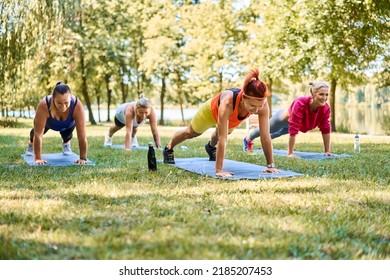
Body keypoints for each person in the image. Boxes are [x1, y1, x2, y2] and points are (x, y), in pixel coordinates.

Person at [163, 69, 279, 178]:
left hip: (230, 117)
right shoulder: (228, 102)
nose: (256, 110)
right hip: (210, 111)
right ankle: (168, 148)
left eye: (260, 106)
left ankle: (210, 147)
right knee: (191, 133)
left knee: (221, 132)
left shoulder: (262, 105)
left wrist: (270, 166)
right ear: (244, 98)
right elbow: (222, 139)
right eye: (253, 106)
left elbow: (265, 136)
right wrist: (219, 170)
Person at [243, 81, 332, 157]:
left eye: (326, 95)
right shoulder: (300, 103)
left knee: (277, 134)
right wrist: (290, 153)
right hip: (281, 119)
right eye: (321, 94)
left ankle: (264, 145)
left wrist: (327, 151)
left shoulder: (325, 108)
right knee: (265, 130)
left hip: (291, 124)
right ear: (313, 94)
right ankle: (248, 139)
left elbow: (325, 129)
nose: (324, 98)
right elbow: (294, 127)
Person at [25, 82, 88, 164]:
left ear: (70, 98)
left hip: (67, 124)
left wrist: (83, 158)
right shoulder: (45, 104)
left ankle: (66, 143)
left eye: (66, 103)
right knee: (34, 133)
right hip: (48, 123)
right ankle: (31, 143)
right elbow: (38, 134)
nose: (63, 106)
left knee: (67, 135)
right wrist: (37, 158)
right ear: (53, 99)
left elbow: (82, 136)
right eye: (59, 103)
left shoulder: (77, 105)